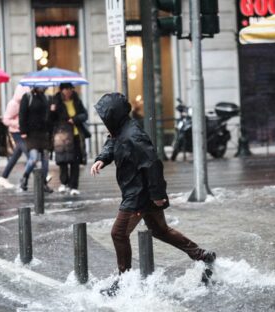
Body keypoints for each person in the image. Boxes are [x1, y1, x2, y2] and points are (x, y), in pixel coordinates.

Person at [90, 93, 215, 295]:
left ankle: (124, 282)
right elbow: (112, 143)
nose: (103, 122)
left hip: (138, 195)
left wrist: (158, 195)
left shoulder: (133, 135)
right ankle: (202, 255)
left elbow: (152, 165)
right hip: (139, 192)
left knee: (118, 234)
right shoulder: (120, 130)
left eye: (105, 117)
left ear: (113, 115)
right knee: (160, 230)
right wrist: (102, 159)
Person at [49, 83, 88, 196]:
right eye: (66, 89)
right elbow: (50, 120)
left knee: (75, 161)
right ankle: (64, 183)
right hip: (62, 135)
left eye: (70, 89)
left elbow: (84, 115)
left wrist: (75, 119)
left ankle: (74, 186)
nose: (69, 91)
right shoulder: (55, 101)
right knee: (63, 160)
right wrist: (52, 111)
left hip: (75, 134)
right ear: (61, 90)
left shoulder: (76, 100)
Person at [18, 87, 53, 193]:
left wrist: (52, 110)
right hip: (31, 134)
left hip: (44, 133)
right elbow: (22, 114)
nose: (43, 87)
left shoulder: (47, 98)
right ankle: (25, 177)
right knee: (33, 158)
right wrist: (23, 131)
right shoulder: (28, 97)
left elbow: (49, 117)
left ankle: (44, 183)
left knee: (45, 159)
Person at [0, 85, 31, 189]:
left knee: (16, 155)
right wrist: (18, 124)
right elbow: (5, 120)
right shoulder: (13, 104)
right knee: (29, 153)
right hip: (16, 132)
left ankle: (3, 177)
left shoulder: (24, 103)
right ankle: (42, 177)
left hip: (22, 130)